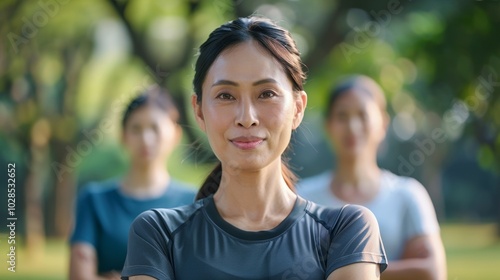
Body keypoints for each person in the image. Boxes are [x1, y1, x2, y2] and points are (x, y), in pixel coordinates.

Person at [121, 17, 387, 280]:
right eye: (225, 96)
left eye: (266, 94)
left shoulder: (346, 230)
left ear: (297, 108)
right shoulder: (159, 234)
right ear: (199, 111)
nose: (246, 117)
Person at [297, 75, 447, 280]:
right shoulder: (301, 196)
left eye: (362, 115)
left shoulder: (408, 194)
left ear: (383, 124)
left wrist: (335, 267)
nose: (352, 127)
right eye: (342, 116)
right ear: (328, 125)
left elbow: (431, 272)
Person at [69, 86, 196, 280]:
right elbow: (79, 276)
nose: (146, 139)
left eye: (155, 128)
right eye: (136, 129)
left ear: (175, 134)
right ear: (123, 136)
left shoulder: (194, 202)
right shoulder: (94, 200)